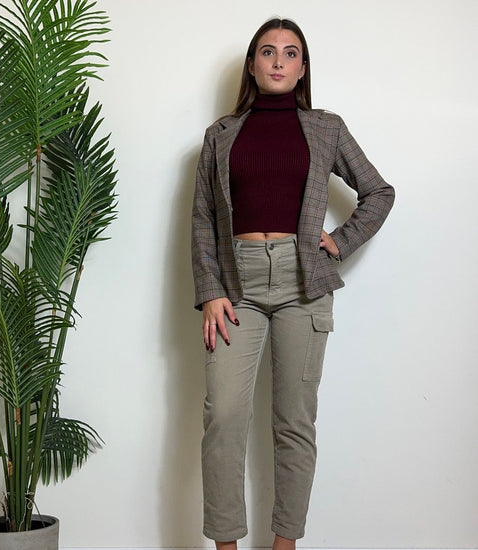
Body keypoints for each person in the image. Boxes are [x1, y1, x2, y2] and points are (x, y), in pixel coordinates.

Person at [191, 17, 395, 550]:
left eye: (290, 53)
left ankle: (285, 545)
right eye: (267, 51)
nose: (278, 61)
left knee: (294, 422)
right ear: (252, 64)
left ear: (303, 68)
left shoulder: (327, 128)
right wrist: (210, 290)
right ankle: (226, 545)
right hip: (235, 285)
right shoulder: (220, 135)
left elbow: (378, 192)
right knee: (224, 416)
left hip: (304, 284)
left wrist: (340, 242)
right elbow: (203, 218)